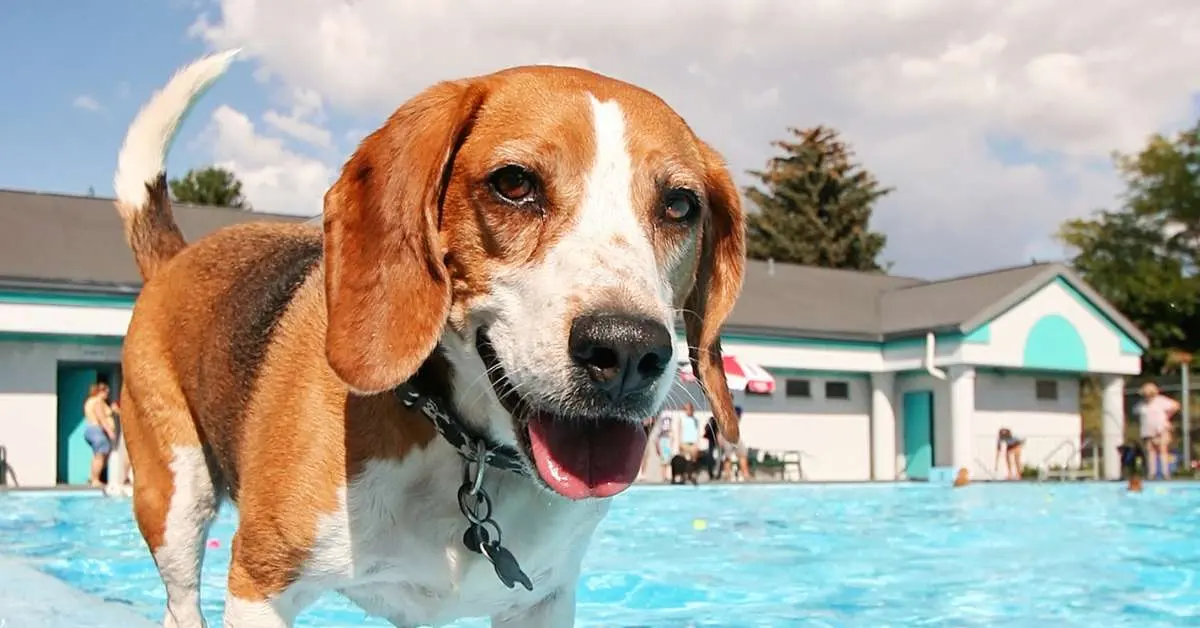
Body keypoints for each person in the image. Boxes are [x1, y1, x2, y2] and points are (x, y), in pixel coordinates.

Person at [1134, 382, 1180, 480]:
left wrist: (1167, 417)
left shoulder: (1161, 401)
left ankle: (1165, 473)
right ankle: (1152, 473)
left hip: (1161, 429)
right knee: (1150, 451)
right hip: (1148, 430)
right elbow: (1136, 412)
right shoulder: (1141, 405)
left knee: (1163, 449)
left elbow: (1176, 405)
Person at [82, 382, 119, 487]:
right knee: (100, 455)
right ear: (101, 392)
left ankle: (93, 477)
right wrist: (110, 432)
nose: (107, 394)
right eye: (106, 392)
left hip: (91, 430)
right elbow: (101, 417)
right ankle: (95, 480)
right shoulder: (98, 402)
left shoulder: (90, 401)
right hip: (97, 430)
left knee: (98, 455)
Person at [721, 405, 751, 482]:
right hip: (727, 437)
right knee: (728, 456)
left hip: (736, 438)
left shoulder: (734, 414)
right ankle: (727, 475)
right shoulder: (726, 415)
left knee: (743, 454)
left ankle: (745, 474)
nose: (739, 417)